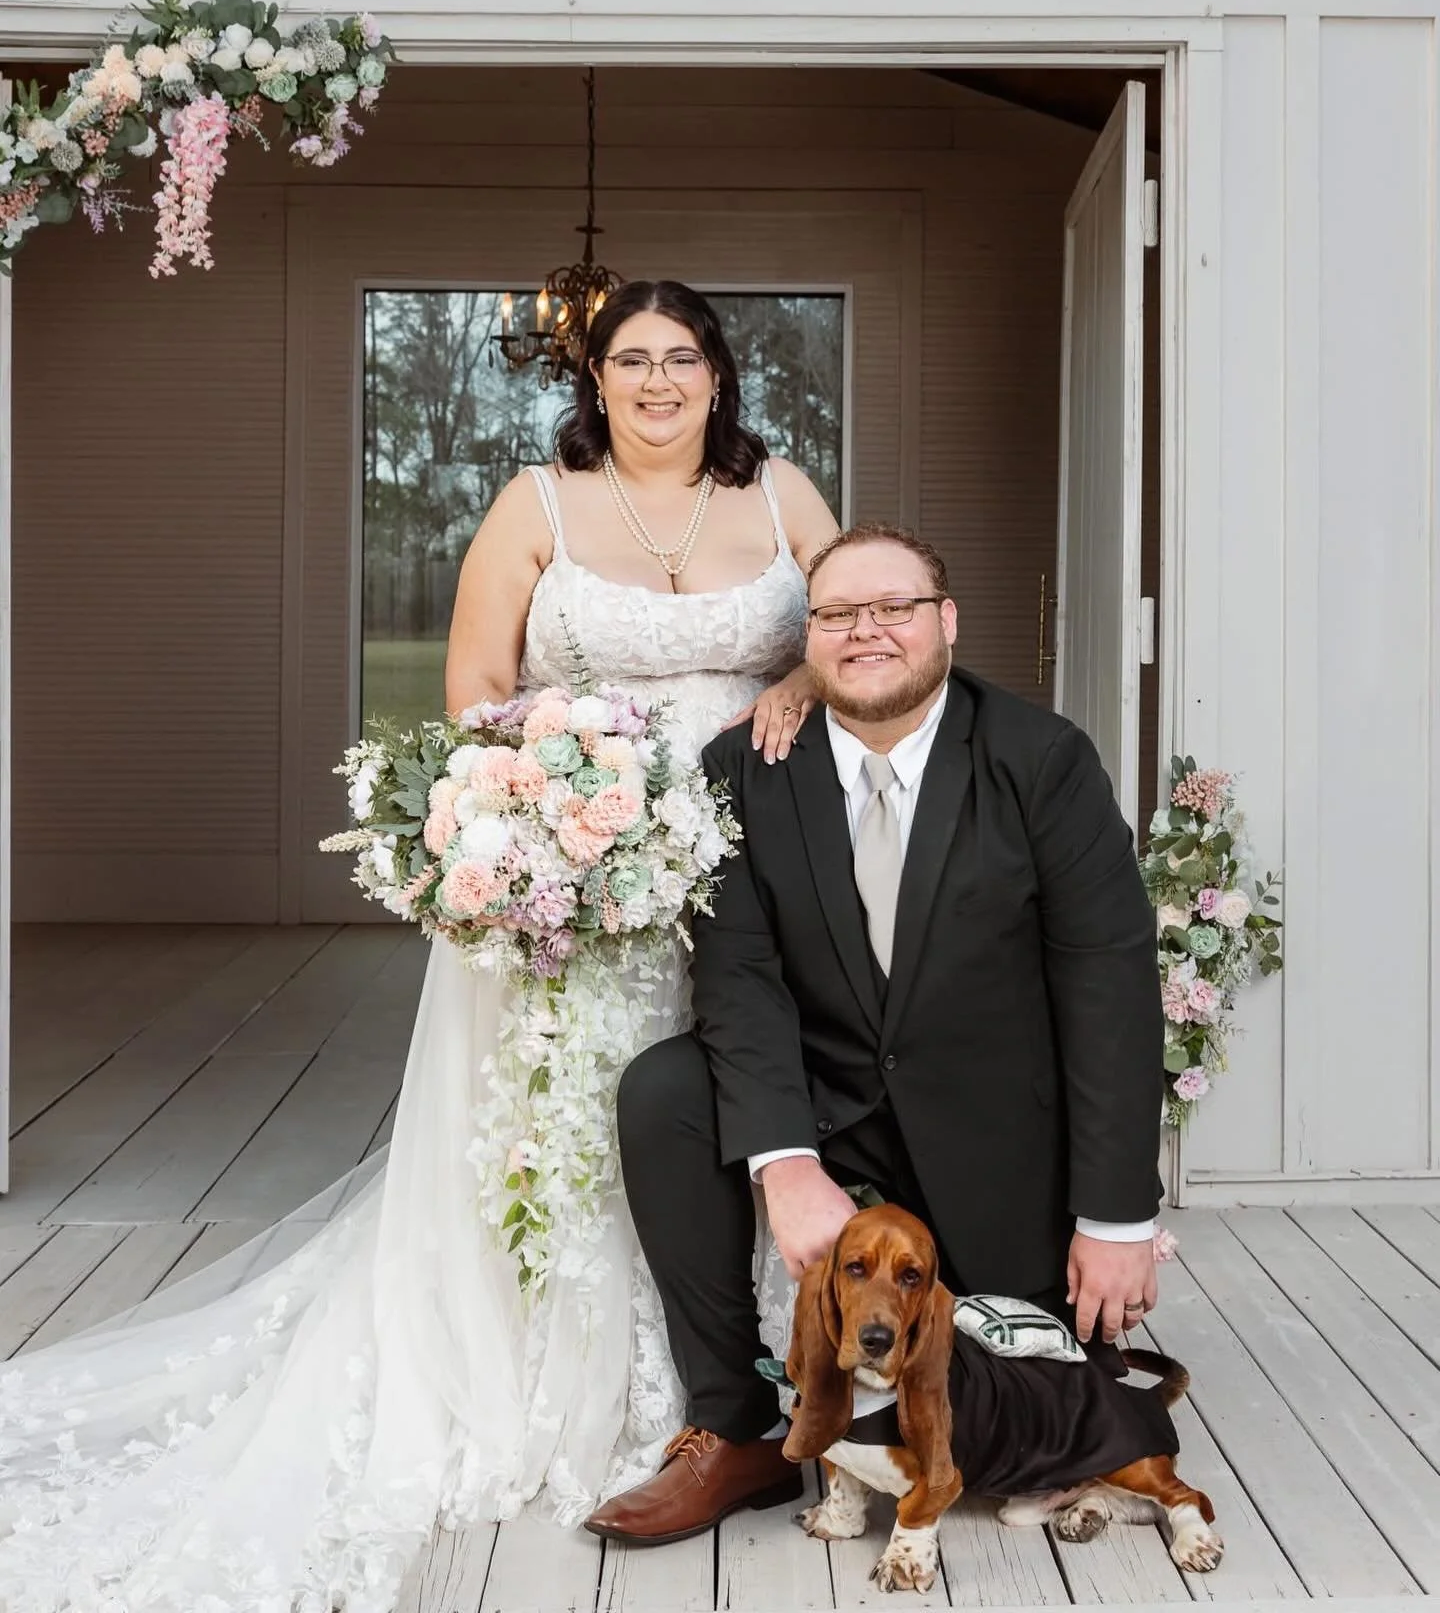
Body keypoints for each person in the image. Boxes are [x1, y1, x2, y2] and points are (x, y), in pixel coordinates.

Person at [0, 281, 838, 1611]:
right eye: (634, 359)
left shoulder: (785, 494)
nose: (661, 381)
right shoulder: (536, 504)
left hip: (766, 860)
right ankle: (592, 1376)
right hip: (588, 866)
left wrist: (792, 680)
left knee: (741, 1095)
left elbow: (846, 634)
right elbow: (472, 688)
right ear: (597, 379)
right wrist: (548, 817)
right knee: (569, 1114)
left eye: (685, 357)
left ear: (721, 376)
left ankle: (764, 1365)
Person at [588, 523, 1165, 1544]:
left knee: (1025, 1411)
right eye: (839, 614)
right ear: (807, 641)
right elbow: (739, 974)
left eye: (894, 607)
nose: (867, 631)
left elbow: (1109, 987)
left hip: (999, 1127)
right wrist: (783, 1159)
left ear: (945, 623)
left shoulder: (1044, 761)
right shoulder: (746, 769)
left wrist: (1115, 1221)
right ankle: (735, 1426)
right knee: (666, 1091)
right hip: (830, 1097)